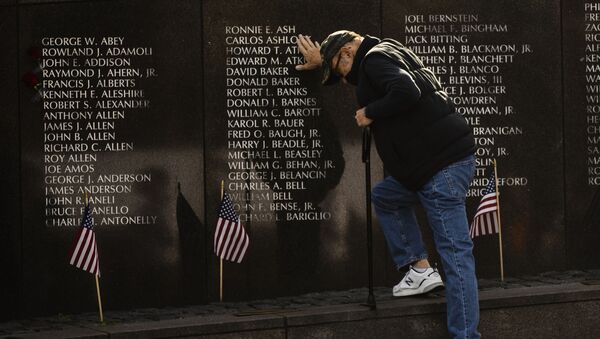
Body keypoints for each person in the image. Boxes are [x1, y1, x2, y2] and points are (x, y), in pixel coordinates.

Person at [295, 31, 480, 338]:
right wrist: (322, 62)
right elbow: (378, 83)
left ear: (348, 52)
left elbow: (406, 91)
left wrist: (370, 112)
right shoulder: (382, 54)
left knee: (455, 254)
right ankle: (419, 269)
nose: (343, 81)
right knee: (385, 196)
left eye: (338, 69)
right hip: (429, 168)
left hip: (440, 168)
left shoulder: (373, 60)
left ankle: (465, 335)